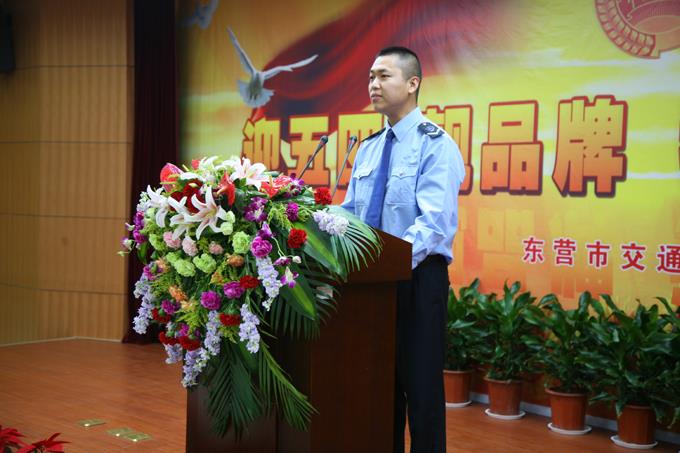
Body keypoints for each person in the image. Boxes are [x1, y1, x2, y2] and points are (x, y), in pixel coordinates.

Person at [341, 47, 465, 452]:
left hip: (417, 281)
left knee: (422, 394)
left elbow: (433, 223)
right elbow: (351, 214)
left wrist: (385, 264)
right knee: (378, 391)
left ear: (412, 84)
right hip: (371, 286)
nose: (373, 85)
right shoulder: (369, 147)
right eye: (370, 77)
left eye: (384, 76)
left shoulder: (436, 145)